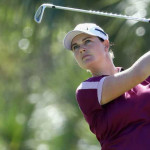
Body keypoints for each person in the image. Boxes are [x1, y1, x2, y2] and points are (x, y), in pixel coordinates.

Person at [63, 23, 150, 150]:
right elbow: (138, 73)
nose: (81, 49)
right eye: (75, 47)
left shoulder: (145, 80)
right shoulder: (86, 91)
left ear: (106, 45)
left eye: (87, 41)